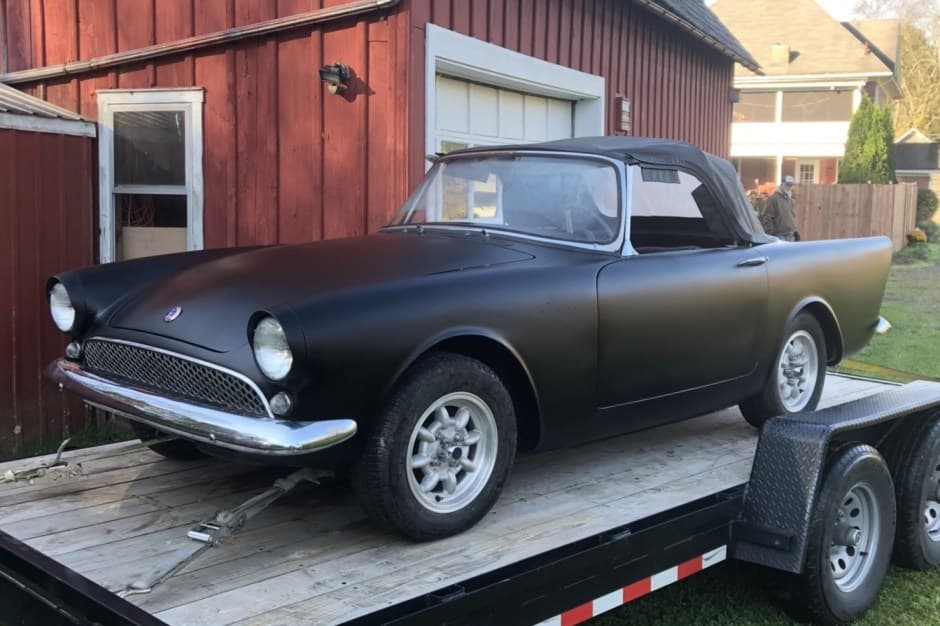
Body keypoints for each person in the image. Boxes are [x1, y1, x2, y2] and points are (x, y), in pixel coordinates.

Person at [761, 175, 799, 241]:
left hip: (790, 234)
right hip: (778, 235)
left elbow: (791, 217)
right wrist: (771, 235)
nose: (789, 187)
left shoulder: (790, 200)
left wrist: (795, 231)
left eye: (791, 185)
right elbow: (767, 217)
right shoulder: (773, 198)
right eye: (787, 185)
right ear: (781, 184)